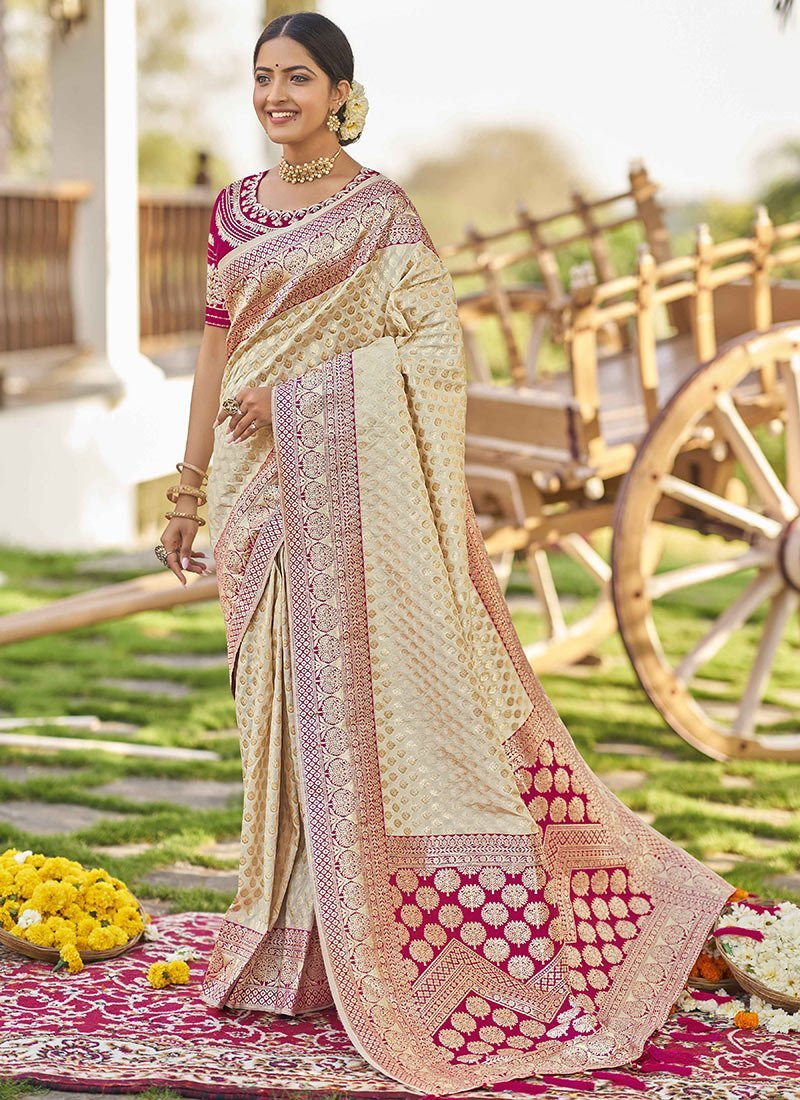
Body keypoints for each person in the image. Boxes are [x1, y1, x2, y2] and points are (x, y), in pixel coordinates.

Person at [154, 11, 735, 1096]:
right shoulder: (232, 211)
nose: (276, 95)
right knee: (272, 711)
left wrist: (301, 402)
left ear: (339, 93)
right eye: (263, 77)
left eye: (297, 78)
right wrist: (187, 487)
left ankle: (371, 942)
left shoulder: (380, 214)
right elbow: (214, 349)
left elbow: (427, 353)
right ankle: (294, 942)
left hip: (337, 484)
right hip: (249, 492)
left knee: (352, 709)